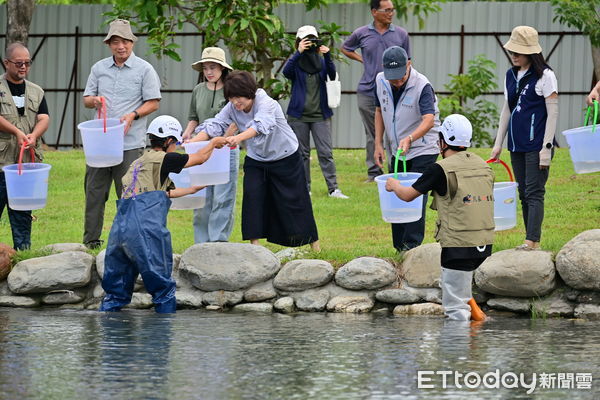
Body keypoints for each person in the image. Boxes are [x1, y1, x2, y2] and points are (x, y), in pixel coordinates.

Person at [100, 115, 227, 313]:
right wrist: (213, 143)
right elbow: (199, 159)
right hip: (145, 227)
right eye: (175, 142)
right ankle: (162, 332)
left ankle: (110, 332)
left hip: (120, 229)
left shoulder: (138, 162)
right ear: (168, 140)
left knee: (116, 291)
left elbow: (160, 193)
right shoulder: (165, 158)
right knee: (162, 287)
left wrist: (191, 190)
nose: (175, 146)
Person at [191, 71, 320, 251]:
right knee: (253, 198)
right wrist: (192, 142)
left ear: (250, 92)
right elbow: (216, 125)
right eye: (232, 98)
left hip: (285, 156)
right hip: (257, 158)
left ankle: (315, 246)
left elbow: (259, 125)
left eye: (239, 97)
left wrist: (237, 138)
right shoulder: (231, 108)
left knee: (296, 201)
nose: (236, 102)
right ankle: (255, 248)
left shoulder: (267, 103)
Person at [385, 114, 494, 321]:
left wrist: (394, 185)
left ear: (443, 141)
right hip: (484, 244)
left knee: (455, 310)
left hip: (458, 247)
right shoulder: (482, 164)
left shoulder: (439, 169)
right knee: (460, 291)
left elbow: (408, 196)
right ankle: (476, 334)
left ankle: (455, 352)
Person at [82, 19, 162, 249]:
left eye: (126, 41)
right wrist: (94, 100)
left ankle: (128, 242)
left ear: (132, 43)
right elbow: (87, 100)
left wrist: (133, 115)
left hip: (129, 142)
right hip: (100, 144)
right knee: (94, 193)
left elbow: (153, 102)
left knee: (128, 194)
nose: (121, 46)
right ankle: (91, 242)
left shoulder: (144, 69)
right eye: (116, 42)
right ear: (109, 44)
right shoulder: (99, 68)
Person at [490, 26, 558, 251]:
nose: (514, 55)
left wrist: (546, 149)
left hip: (537, 145)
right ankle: (531, 241)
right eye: (512, 51)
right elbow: (507, 110)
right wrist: (498, 144)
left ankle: (532, 241)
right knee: (523, 193)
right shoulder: (510, 75)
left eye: (519, 51)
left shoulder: (545, 76)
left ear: (532, 52)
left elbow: (553, 113)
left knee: (534, 191)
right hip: (516, 145)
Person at [373, 46, 440, 251]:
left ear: (408, 64)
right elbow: (378, 110)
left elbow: (429, 120)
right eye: (392, 77)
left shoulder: (422, 85)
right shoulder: (380, 80)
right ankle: (399, 247)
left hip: (423, 149)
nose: (397, 81)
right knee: (395, 193)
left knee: (414, 194)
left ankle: (412, 248)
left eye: (400, 76)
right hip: (398, 150)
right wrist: (378, 143)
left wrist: (411, 138)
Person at [341, 0, 410, 182]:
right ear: (374, 12)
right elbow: (345, 48)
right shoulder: (362, 33)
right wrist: (362, 60)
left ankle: (392, 171)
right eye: (387, 10)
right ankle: (374, 173)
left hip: (393, 92)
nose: (391, 13)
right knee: (373, 134)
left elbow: (408, 62)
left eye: (392, 10)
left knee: (394, 132)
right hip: (367, 91)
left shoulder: (401, 34)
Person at [181, 47, 239, 243]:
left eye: (212, 67)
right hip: (200, 148)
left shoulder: (231, 90)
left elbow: (236, 119)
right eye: (205, 68)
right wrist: (188, 132)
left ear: (222, 68)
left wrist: (226, 138)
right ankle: (201, 244)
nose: (209, 72)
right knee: (201, 196)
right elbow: (193, 118)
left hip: (227, 147)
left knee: (223, 197)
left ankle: (218, 242)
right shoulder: (198, 90)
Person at [283, 25, 348, 199]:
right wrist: (298, 52)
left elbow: (332, 75)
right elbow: (286, 72)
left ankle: (333, 189)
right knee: (301, 154)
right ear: (299, 41)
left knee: (326, 153)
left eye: (312, 40)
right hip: (298, 116)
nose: (309, 43)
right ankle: (305, 188)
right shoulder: (296, 62)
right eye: (306, 40)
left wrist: (327, 55)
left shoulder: (321, 61)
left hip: (321, 115)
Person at [0, 43, 49, 250]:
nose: (23, 67)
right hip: (2, 163)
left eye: (27, 63)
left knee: (22, 213)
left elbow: (44, 117)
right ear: (6, 63)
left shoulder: (36, 91)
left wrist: (33, 135)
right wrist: (17, 132)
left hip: (26, 164)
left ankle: (22, 254)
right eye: (18, 63)